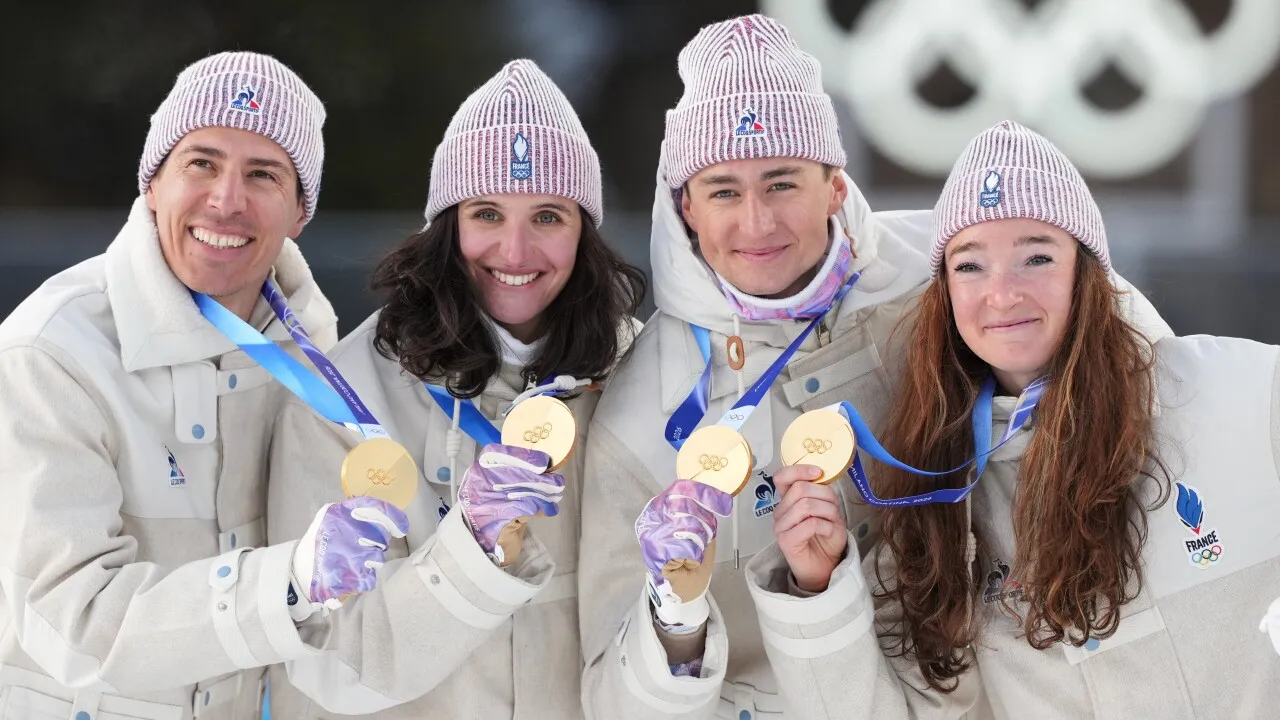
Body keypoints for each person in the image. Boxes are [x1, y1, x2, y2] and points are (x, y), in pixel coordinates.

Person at [744, 119, 1280, 719]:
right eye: (970, 266)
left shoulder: (1235, 392)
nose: (1002, 293)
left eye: (1036, 257)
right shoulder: (936, 497)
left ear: (1087, 272)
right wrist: (817, 588)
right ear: (944, 292)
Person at [0, 52, 407, 719]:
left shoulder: (318, 358)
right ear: (152, 184)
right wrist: (288, 582)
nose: (226, 200)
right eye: (201, 163)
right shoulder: (51, 352)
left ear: (299, 213)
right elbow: (71, 620)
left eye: (264, 174)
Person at [265, 59, 645, 719]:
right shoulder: (345, 399)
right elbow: (325, 665)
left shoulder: (641, 376)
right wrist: (469, 550)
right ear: (446, 225)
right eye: (487, 213)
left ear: (584, 232)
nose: (515, 251)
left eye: (548, 216)